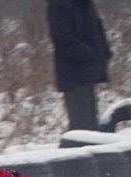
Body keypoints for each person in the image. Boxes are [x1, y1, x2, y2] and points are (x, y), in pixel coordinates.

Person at [46, 0, 113, 131]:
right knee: (81, 128)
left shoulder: (84, 4)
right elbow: (63, 39)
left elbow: (98, 29)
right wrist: (88, 54)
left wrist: (105, 52)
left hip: (88, 71)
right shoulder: (60, 5)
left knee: (91, 126)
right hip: (74, 73)